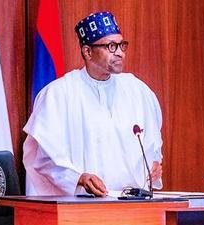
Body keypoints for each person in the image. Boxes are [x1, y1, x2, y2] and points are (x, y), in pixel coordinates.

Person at [23, 11, 163, 197]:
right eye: (111, 46)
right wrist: (78, 178)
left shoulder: (138, 91)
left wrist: (154, 166)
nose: (120, 53)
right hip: (82, 206)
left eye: (122, 45)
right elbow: (43, 159)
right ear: (87, 51)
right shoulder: (59, 94)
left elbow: (153, 147)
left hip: (133, 204)